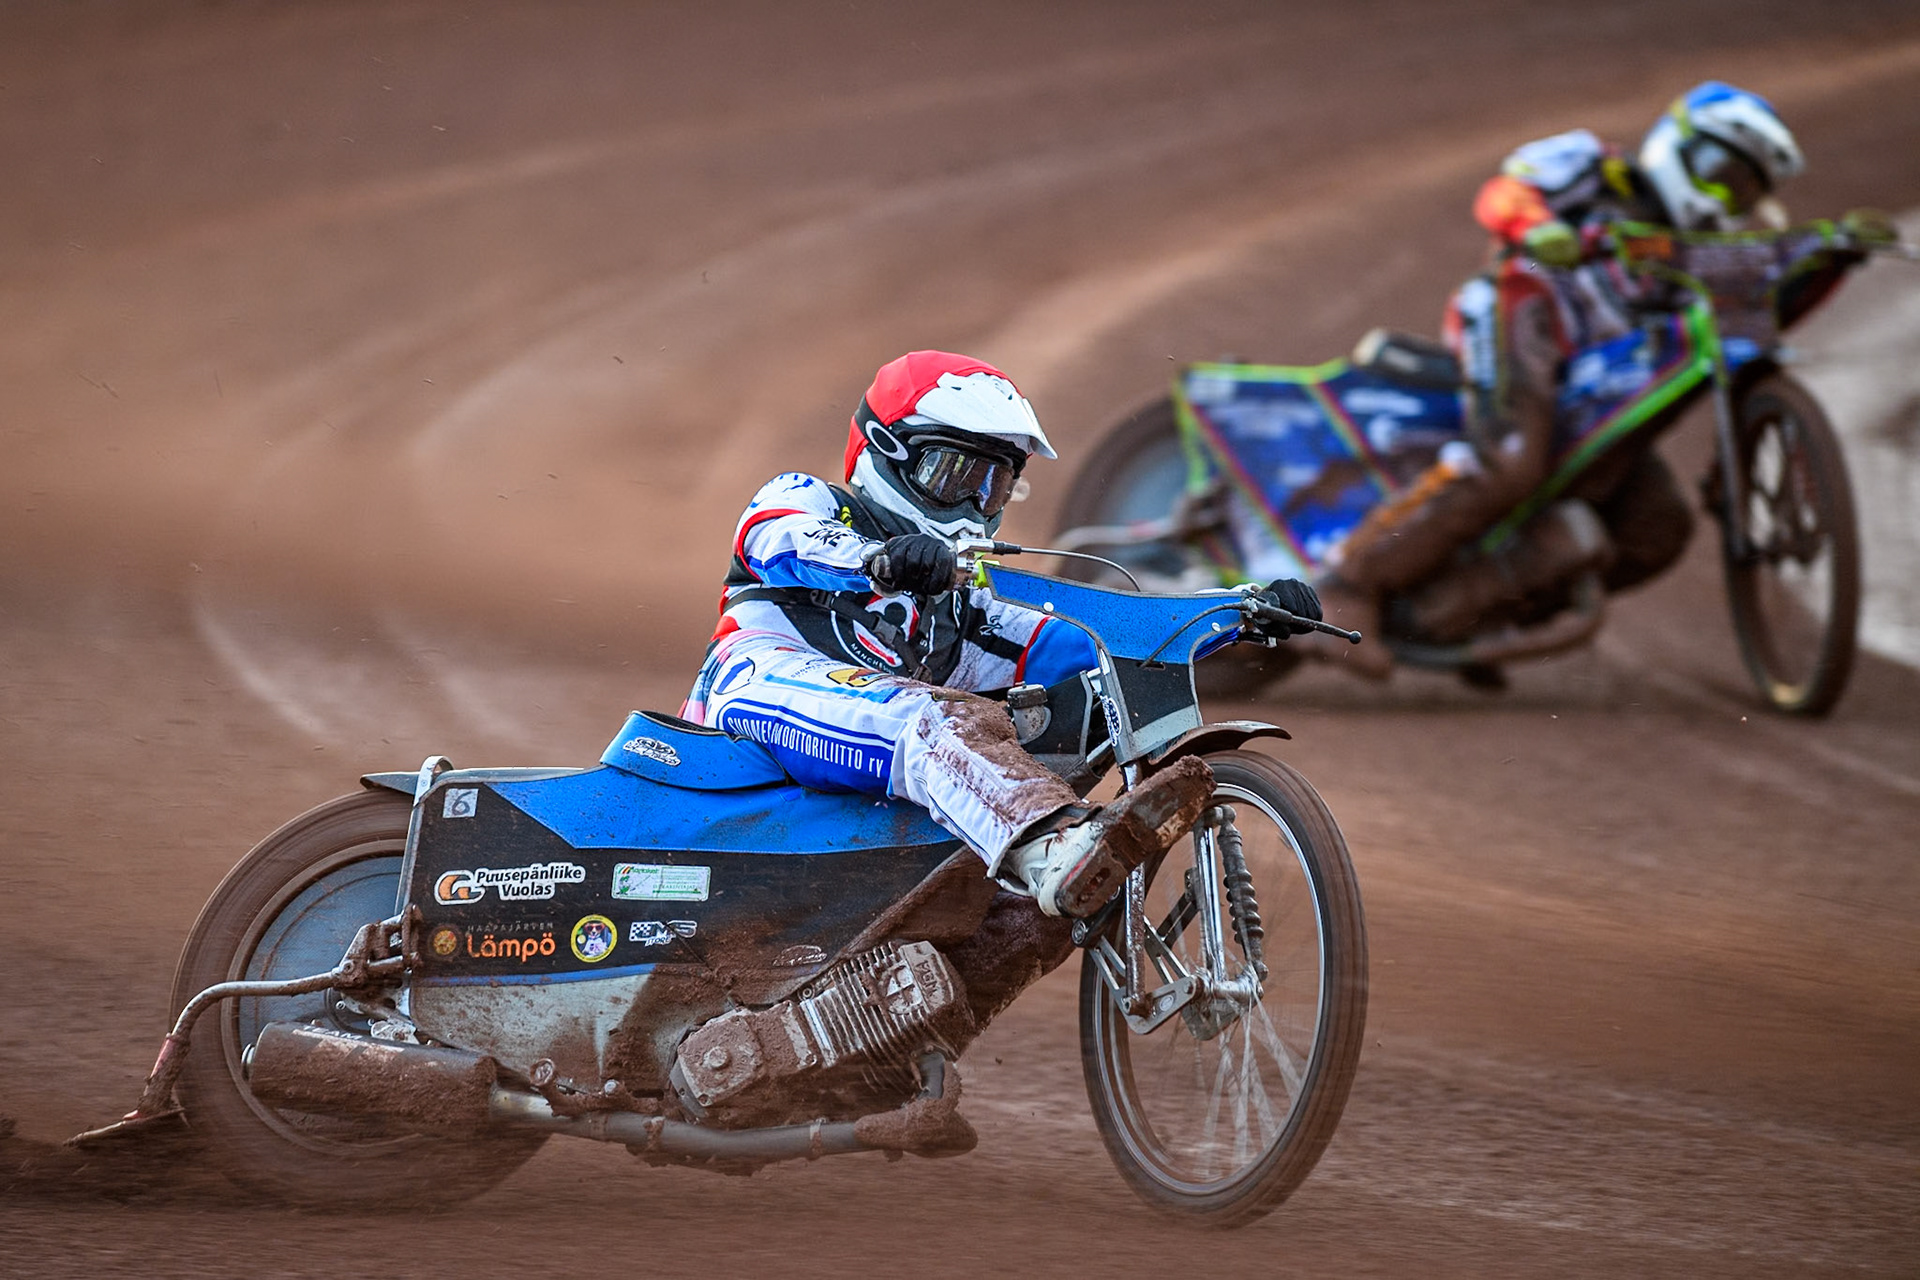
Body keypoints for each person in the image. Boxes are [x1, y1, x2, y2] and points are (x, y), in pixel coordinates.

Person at [682, 350, 1319, 918]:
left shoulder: (965, 606)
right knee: (935, 717)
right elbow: (777, 537)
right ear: (888, 451)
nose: (971, 506)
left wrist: (1235, 612)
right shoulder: (811, 500)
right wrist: (880, 559)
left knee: (1098, 691)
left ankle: (1022, 897)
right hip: (749, 697)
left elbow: (1090, 636)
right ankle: (1051, 851)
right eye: (954, 475)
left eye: (992, 485)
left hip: (853, 757)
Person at [1319, 81, 1875, 675]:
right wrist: (1539, 230)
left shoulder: (1707, 250)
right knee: (1510, 459)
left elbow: (1756, 320)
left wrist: (1832, 261)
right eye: (1720, 173)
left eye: (1744, 191)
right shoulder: (1592, 165)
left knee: (1657, 528)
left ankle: (1471, 615)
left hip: (1597, 381)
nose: (1723, 200)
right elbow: (1504, 193)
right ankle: (1347, 584)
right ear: (1678, 143)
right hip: (1524, 306)